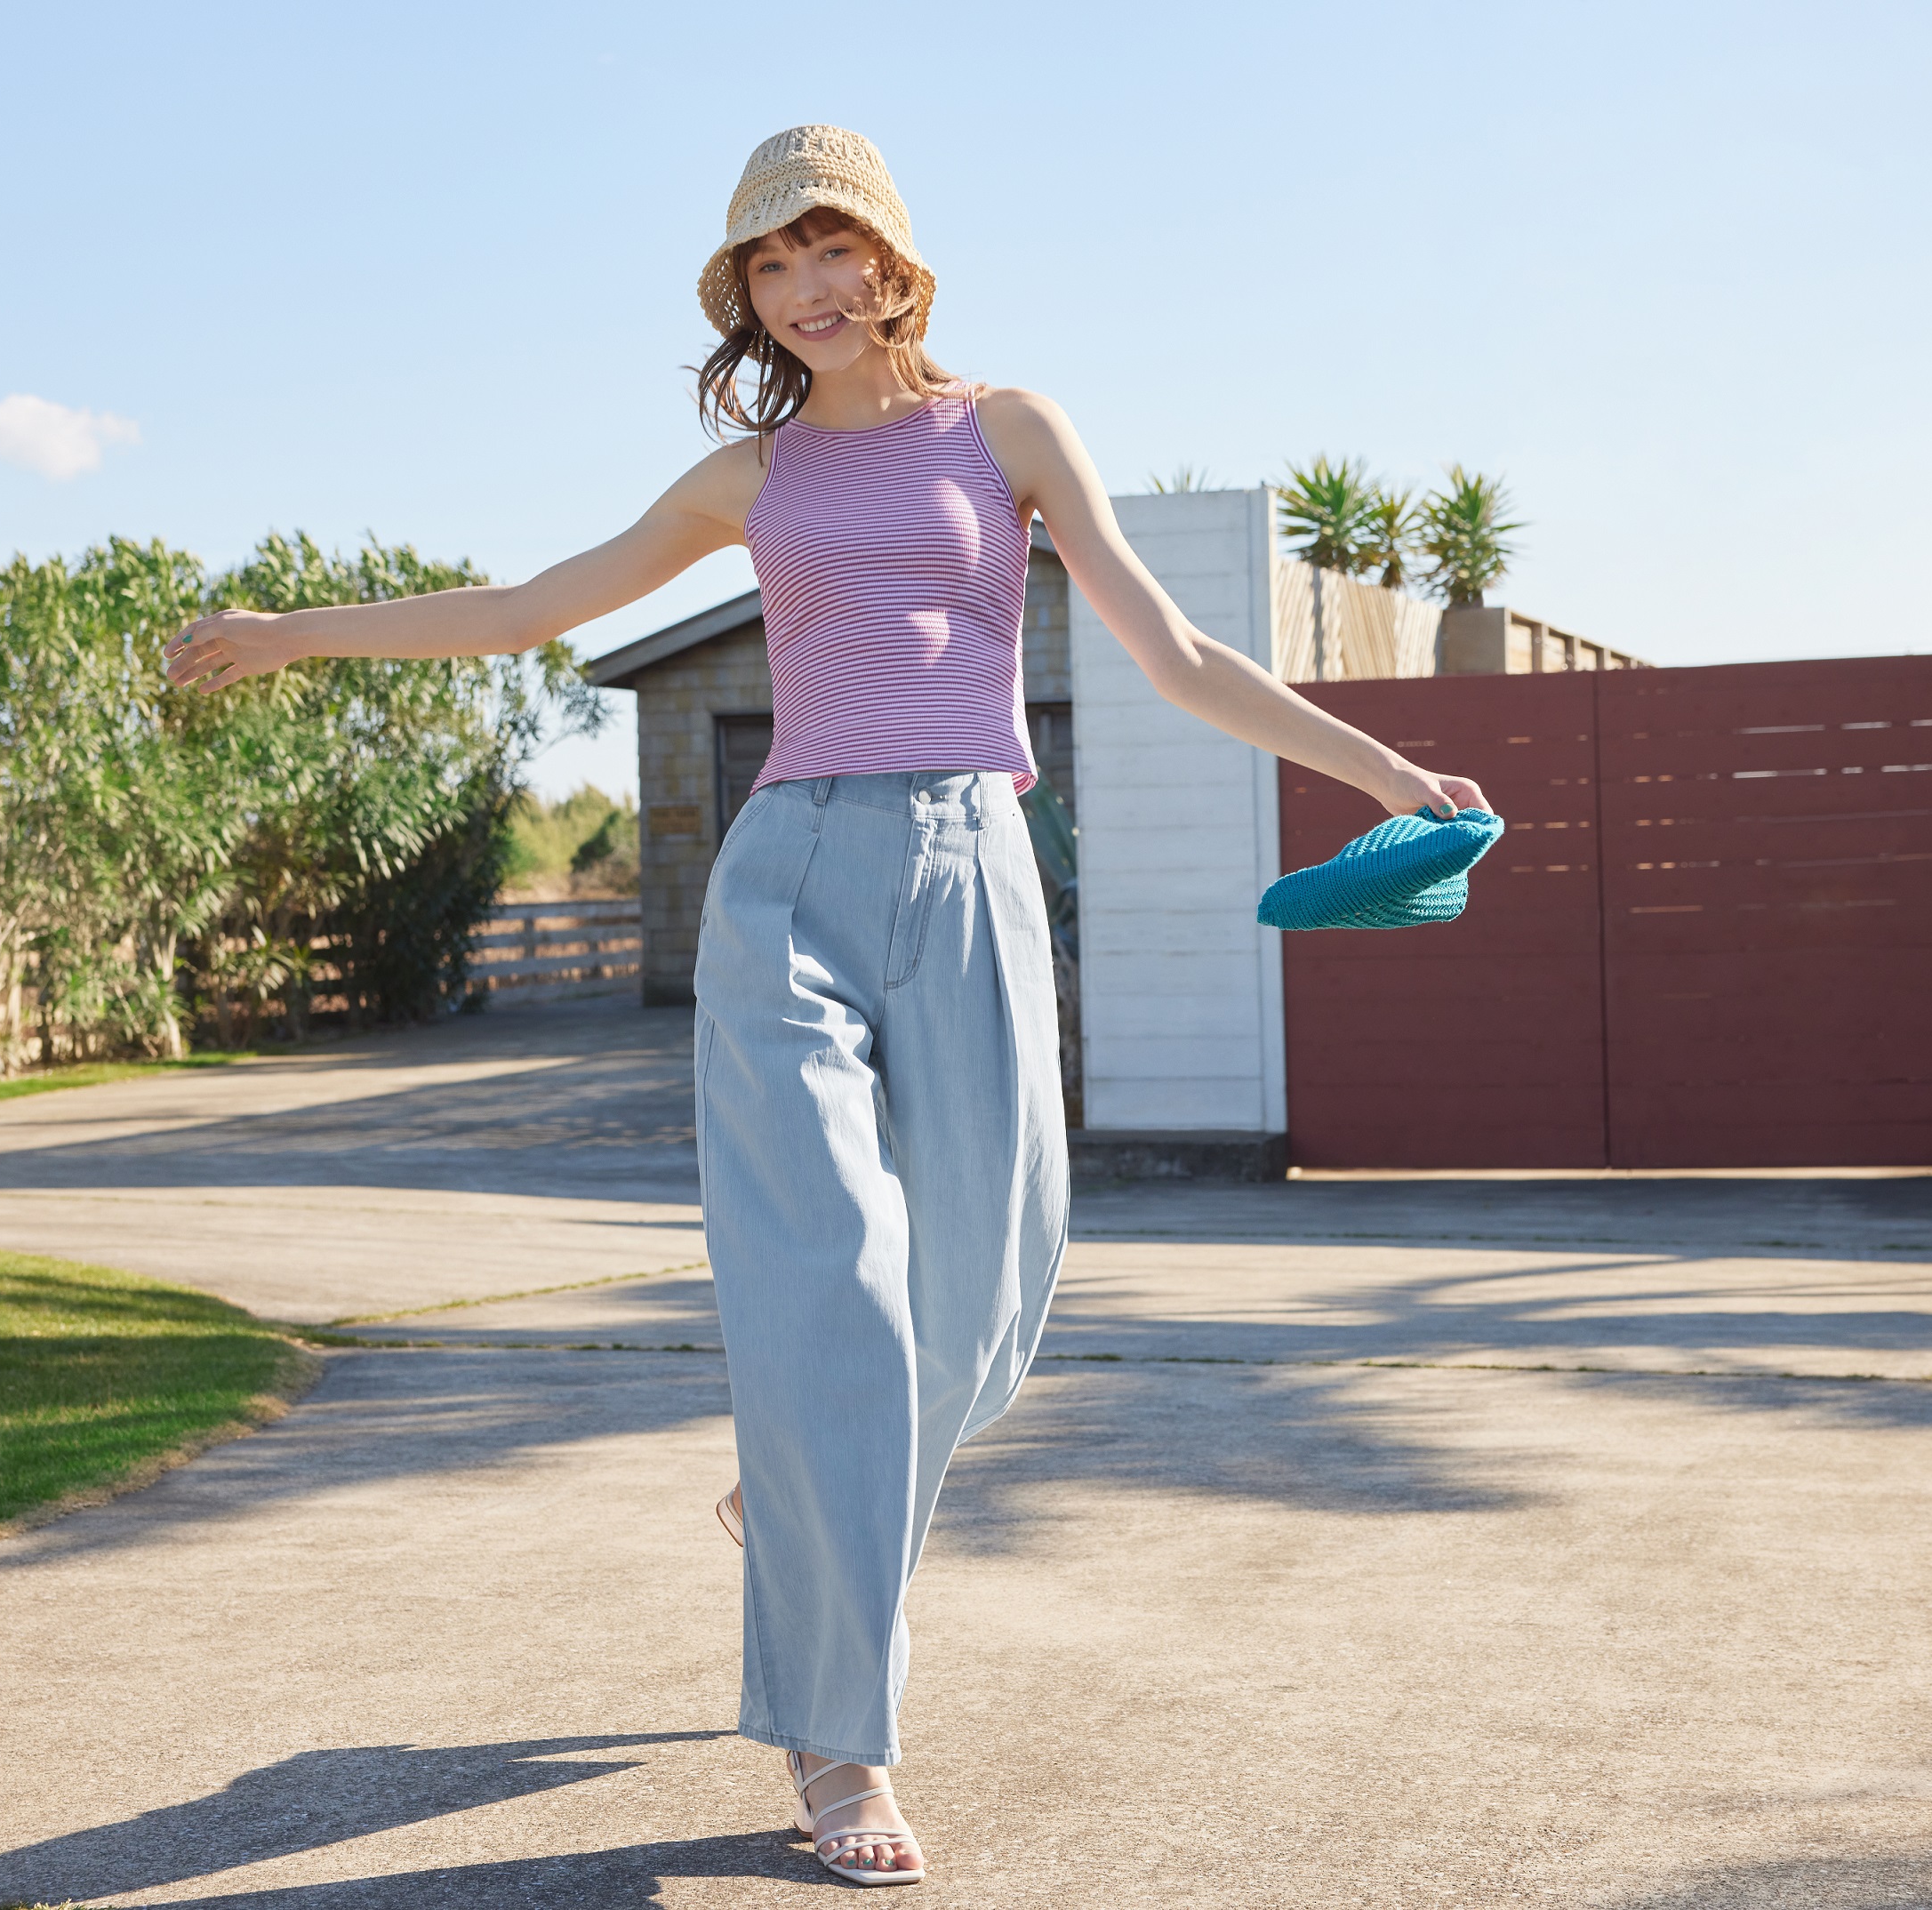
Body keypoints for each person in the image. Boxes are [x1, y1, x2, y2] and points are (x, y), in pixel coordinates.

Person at [167, 123, 1487, 1888]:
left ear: (890, 259)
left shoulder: (1005, 428)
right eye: (765, 272)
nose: (800, 292)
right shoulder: (747, 479)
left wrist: (1379, 765)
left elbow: (1170, 651)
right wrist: (292, 629)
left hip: (970, 867)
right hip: (786, 876)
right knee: (827, 1297)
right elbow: (529, 609)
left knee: (998, 1281)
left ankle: (799, 1491)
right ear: (746, 300)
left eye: (825, 253)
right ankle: (836, 1746)